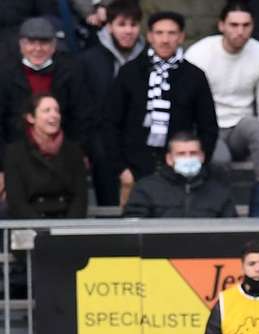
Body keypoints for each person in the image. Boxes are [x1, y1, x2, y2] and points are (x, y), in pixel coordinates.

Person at [104, 10, 218, 202]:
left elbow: (208, 127)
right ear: (149, 36)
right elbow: (110, 123)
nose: (165, 40)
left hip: (181, 168)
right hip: (134, 168)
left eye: (171, 33)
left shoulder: (194, 76)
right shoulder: (129, 72)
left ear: (181, 37)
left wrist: (197, 163)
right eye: (159, 33)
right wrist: (121, 169)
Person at [0, 17, 90, 202]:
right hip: (16, 155)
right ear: (21, 44)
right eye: (31, 43)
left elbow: (81, 117)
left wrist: (78, 152)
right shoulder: (5, 73)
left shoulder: (71, 71)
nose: (38, 49)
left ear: (54, 45)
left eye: (44, 43)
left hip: (61, 155)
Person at [186, 1, 259, 178]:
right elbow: (188, 104)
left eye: (246, 25)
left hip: (240, 128)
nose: (240, 31)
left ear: (253, 26)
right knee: (220, 159)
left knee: (255, 127)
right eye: (234, 25)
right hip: (209, 128)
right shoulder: (199, 54)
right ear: (221, 25)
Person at [78, 0, 145, 206]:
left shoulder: (147, 58)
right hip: (100, 132)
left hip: (139, 129)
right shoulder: (89, 60)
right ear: (109, 27)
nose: (128, 31)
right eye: (122, 24)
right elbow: (84, 106)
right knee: (102, 153)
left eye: (133, 25)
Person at [4, 94, 87, 218]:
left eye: (57, 111)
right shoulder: (15, 153)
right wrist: (41, 229)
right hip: (30, 227)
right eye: (46, 111)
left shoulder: (73, 151)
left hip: (65, 226)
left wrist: (67, 228)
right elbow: (16, 202)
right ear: (31, 118)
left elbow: (80, 198)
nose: (54, 115)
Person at [123, 132, 237, 218]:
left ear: (202, 157)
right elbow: (133, 228)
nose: (188, 158)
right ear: (169, 159)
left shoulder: (218, 191)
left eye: (193, 153)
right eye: (181, 154)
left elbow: (233, 231)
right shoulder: (146, 188)